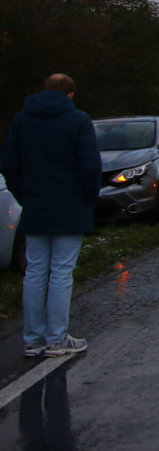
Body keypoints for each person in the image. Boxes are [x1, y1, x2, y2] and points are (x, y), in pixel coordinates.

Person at [0, 74, 101, 357]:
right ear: (70, 94)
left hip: (35, 205)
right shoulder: (78, 120)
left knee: (34, 271)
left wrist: (24, 195)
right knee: (61, 272)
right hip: (70, 206)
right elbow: (90, 166)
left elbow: (9, 163)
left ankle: (33, 338)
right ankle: (57, 338)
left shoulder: (23, 120)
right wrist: (87, 199)